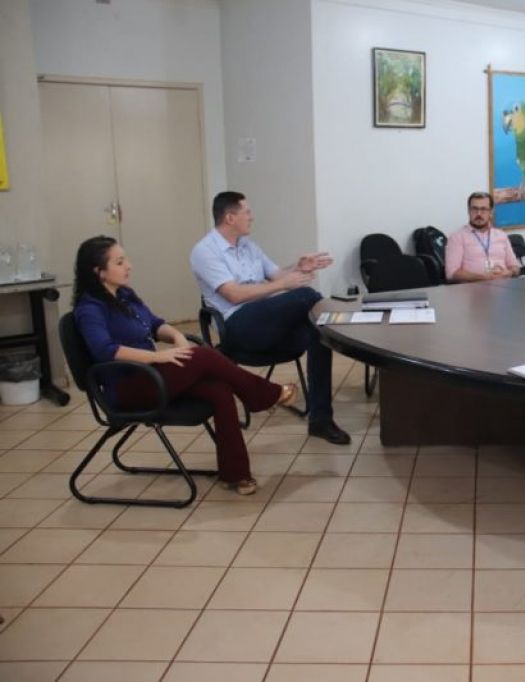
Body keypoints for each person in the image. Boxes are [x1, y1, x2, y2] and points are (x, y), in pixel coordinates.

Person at [73, 236, 297, 495]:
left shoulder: (124, 295)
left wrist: (178, 339)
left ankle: (235, 475)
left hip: (150, 376)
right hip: (127, 388)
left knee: (219, 390)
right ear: (98, 272)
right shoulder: (89, 308)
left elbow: (156, 325)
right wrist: (157, 357)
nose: (129, 266)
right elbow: (105, 351)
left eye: (126, 260)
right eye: (120, 262)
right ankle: (266, 394)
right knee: (204, 356)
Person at [190, 191, 350, 445]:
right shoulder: (205, 251)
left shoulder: (248, 246)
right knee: (306, 296)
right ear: (230, 217)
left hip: (266, 323)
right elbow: (233, 295)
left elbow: (277, 276)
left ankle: (321, 420)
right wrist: (286, 284)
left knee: (318, 332)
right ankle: (343, 325)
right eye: (247, 212)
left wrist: (298, 268)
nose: (252, 217)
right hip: (238, 327)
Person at [445, 191, 520, 282]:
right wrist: (482, 277)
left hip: (503, 289)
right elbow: (451, 273)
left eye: (483, 209)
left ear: (491, 212)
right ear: (469, 211)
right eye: (474, 209)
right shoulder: (457, 237)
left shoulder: (501, 235)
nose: (479, 214)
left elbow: (515, 267)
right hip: (472, 291)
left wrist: (509, 273)